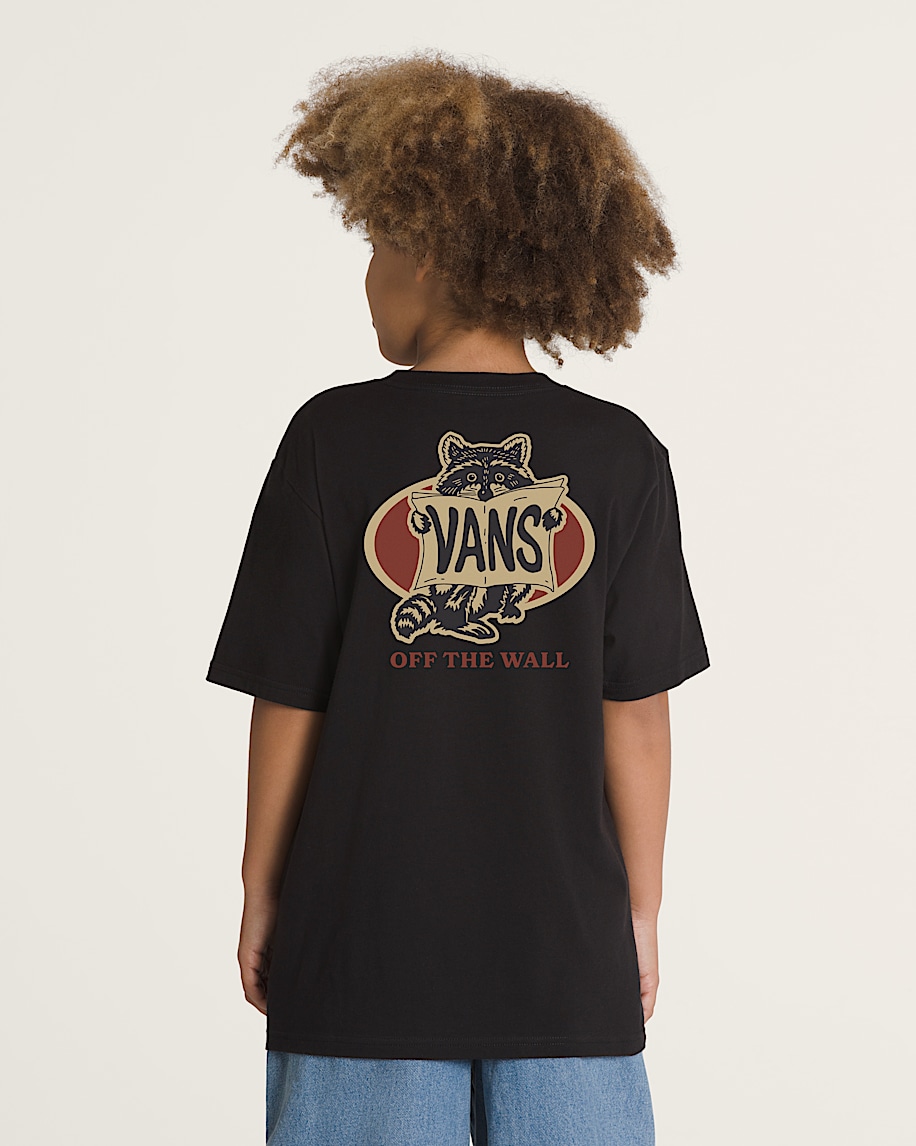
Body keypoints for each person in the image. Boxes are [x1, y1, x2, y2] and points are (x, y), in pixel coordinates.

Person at [205, 49, 711, 1146]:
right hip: (565, 954)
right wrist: (639, 910)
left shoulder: (330, 440)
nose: (368, 275)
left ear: (429, 249)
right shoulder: (619, 454)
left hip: (358, 947)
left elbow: (291, 698)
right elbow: (637, 714)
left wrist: (261, 886)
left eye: (376, 242)